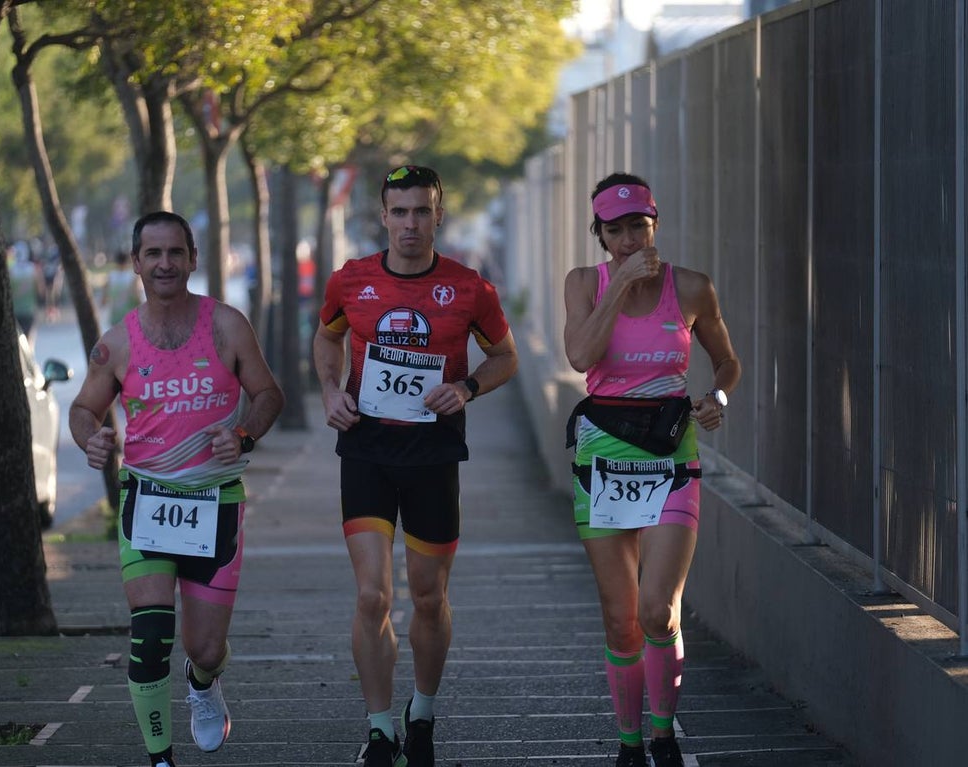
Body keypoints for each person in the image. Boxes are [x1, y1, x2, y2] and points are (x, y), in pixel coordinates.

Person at [313, 165, 518, 767]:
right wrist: (329, 391)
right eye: (399, 212)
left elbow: (504, 357)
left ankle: (420, 714)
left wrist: (468, 388)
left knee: (428, 598)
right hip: (367, 450)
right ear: (382, 217)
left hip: (433, 456)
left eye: (421, 211)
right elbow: (326, 340)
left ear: (438, 214)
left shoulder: (470, 288)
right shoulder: (351, 282)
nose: (410, 223)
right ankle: (380, 729)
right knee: (374, 595)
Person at [69, 211, 284, 767]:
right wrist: (92, 440)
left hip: (215, 504)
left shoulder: (228, 325)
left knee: (204, 647)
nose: (164, 263)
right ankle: (160, 758)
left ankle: (204, 681)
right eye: (152, 253)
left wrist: (243, 435)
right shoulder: (116, 343)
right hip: (148, 501)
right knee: (149, 635)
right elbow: (83, 409)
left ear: (192, 259)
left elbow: (267, 395)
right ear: (136, 262)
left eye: (175, 253)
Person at [562, 173, 742, 767]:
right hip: (604, 454)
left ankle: (663, 736)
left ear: (655, 223)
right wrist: (618, 289)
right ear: (600, 235)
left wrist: (716, 399)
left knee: (656, 609)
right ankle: (629, 742)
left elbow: (727, 363)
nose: (629, 239)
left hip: (670, 452)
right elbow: (582, 356)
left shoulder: (691, 288)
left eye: (638, 226)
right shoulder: (585, 284)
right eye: (614, 230)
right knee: (620, 620)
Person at [104, 248, 145, 327]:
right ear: (128, 261)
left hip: (115, 319)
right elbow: (137, 296)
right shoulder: (133, 277)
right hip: (131, 319)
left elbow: (104, 301)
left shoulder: (110, 277)